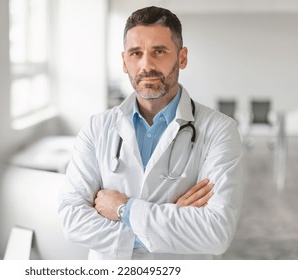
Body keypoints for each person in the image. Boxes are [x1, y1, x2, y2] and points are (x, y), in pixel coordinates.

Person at [58, 6, 243, 260]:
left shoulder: (220, 130)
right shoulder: (96, 128)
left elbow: (215, 232)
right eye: (136, 53)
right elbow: (72, 220)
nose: (146, 64)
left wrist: (125, 209)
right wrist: (156, 233)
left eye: (159, 51)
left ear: (182, 57)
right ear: (124, 62)